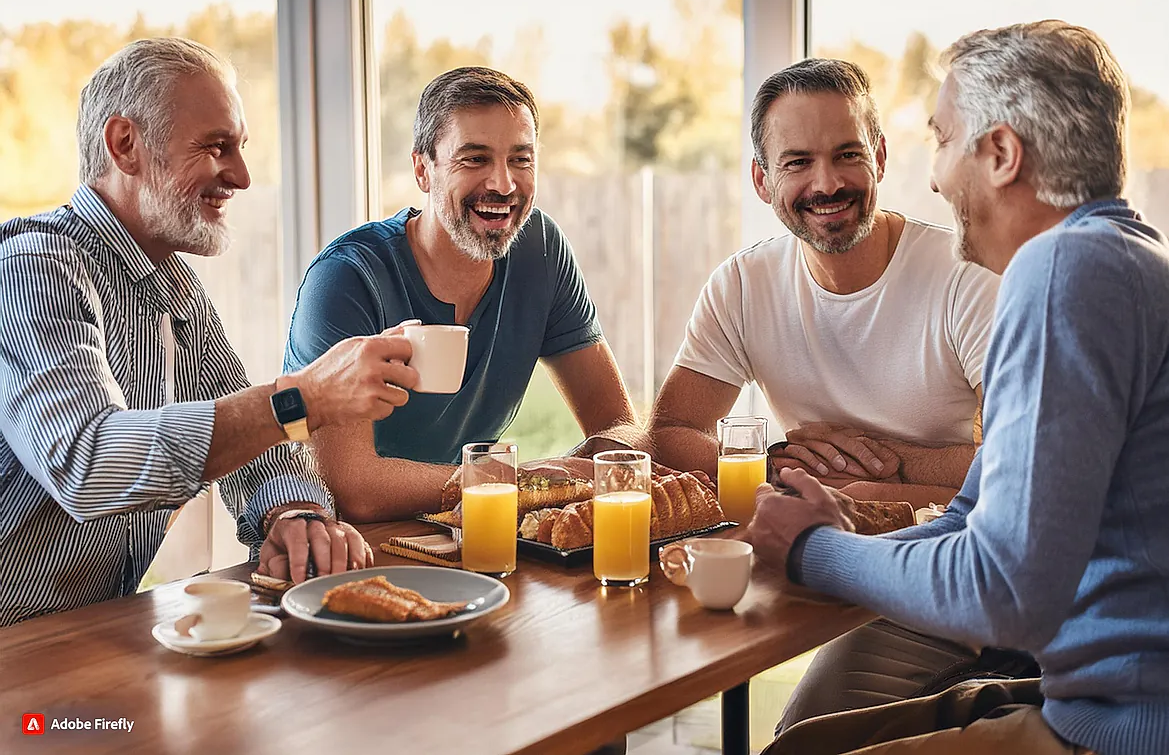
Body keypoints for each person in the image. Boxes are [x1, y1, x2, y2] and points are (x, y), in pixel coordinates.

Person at [751, 21, 1169, 755]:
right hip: (1093, 702)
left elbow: (1001, 590)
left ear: (1001, 154)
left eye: (941, 140)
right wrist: (845, 538)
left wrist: (812, 550)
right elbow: (974, 517)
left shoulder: (1064, 272)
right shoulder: (1119, 260)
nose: (936, 176)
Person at [0, 38, 417, 627]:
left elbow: (258, 459)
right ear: (125, 146)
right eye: (216, 147)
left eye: (240, 148)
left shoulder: (172, 279)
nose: (242, 176)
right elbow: (87, 463)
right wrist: (307, 395)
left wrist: (293, 514)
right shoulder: (35, 263)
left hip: (91, 631)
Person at [648, 58, 1008, 728]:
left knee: (802, 736)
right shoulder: (743, 285)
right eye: (796, 162)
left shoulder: (966, 279)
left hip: (948, 573)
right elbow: (670, 432)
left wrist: (889, 460)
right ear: (761, 179)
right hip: (827, 560)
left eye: (846, 155)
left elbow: (1016, 469)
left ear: (877, 156)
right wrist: (779, 468)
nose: (826, 183)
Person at [284, 66, 638, 523]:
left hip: (460, 530)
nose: (503, 184)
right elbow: (353, 488)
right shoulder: (347, 278)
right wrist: (521, 480)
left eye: (521, 159)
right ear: (422, 170)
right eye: (475, 159)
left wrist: (592, 462)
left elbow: (619, 426)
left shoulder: (540, 250)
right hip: (333, 544)